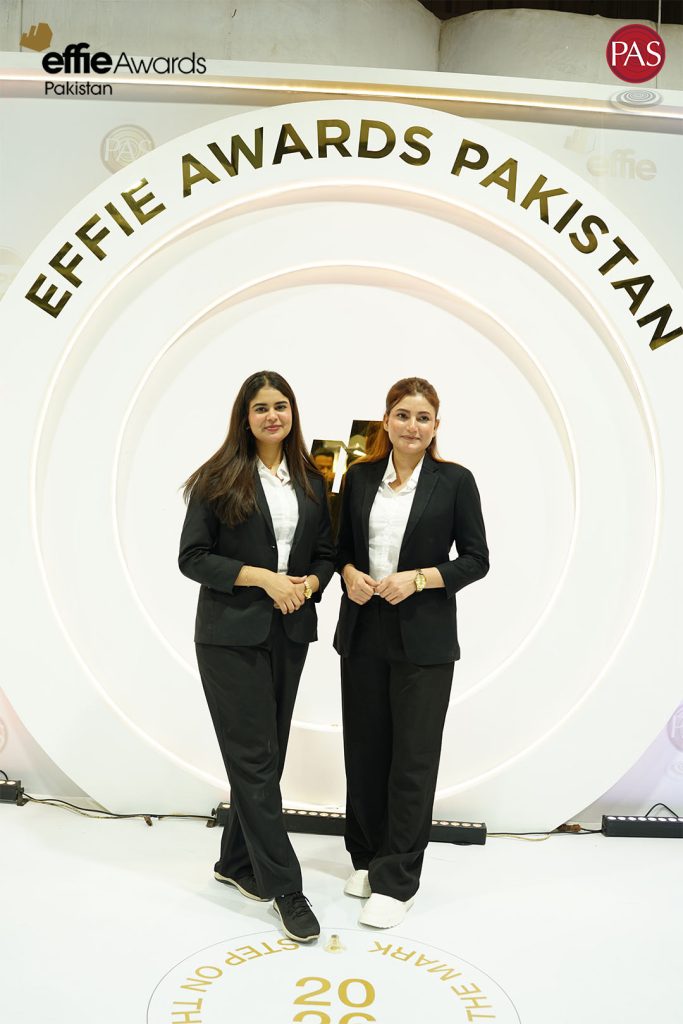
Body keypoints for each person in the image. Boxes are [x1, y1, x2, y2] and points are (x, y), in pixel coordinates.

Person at [178, 370, 334, 943]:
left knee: (269, 757)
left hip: (289, 632)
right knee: (255, 761)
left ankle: (234, 862)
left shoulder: (312, 480)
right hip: (229, 637)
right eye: (261, 407)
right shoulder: (218, 478)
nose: (273, 416)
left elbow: (326, 552)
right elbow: (193, 557)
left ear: (293, 413)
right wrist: (263, 578)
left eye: (281, 405)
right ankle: (286, 888)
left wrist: (307, 585)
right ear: (244, 417)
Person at [334, 377, 489, 928]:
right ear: (386, 420)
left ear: (436, 426)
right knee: (365, 752)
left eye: (423, 417)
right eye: (403, 415)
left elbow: (475, 559)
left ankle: (398, 879)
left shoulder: (455, 481)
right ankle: (366, 858)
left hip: (424, 639)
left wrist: (420, 579)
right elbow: (339, 549)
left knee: (413, 759)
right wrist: (349, 574)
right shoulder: (358, 478)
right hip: (363, 630)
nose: (412, 426)